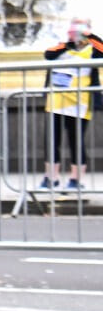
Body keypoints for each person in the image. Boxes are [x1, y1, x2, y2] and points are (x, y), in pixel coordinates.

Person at [41, 17, 101, 191]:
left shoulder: (92, 50)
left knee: (76, 142)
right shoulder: (61, 48)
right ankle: (51, 178)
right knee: (52, 141)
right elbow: (48, 54)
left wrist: (90, 37)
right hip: (56, 102)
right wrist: (67, 43)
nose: (76, 35)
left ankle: (76, 179)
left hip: (80, 104)